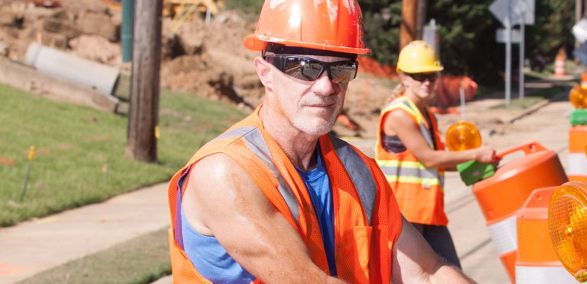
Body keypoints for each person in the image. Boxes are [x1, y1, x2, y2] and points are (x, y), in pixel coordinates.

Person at [166, 1, 474, 283]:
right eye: (305, 67)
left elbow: (427, 272)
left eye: (340, 68)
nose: (326, 87)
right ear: (265, 72)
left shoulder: (359, 172)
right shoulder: (225, 173)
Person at [375, 41, 497, 268]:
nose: (427, 82)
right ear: (403, 77)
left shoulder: (426, 116)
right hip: (404, 214)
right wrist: (476, 154)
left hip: (427, 211)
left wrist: (478, 164)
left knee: (450, 272)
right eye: (420, 76)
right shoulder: (399, 115)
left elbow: (438, 161)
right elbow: (429, 157)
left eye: (432, 75)